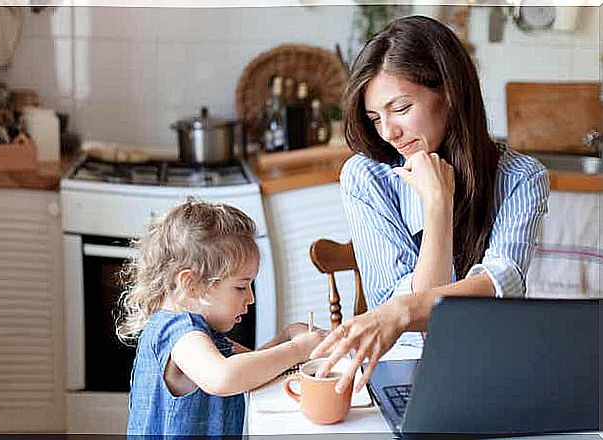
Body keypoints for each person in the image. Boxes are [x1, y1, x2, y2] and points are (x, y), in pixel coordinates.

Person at [311, 15, 549, 394]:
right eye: (375, 118)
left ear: (450, 95)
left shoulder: (522, 177)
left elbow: (499, 284)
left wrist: (403, 310)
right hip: (403, 371)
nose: (388, 132)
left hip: (489, 367)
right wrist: (438, 205)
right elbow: (417, 328)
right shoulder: (365, 177)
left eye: (401, 109)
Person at [116, 199, 325, 437]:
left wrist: (287, 337)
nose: (251, 298)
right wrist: (296, 350)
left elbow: (252, 367)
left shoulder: (202, 332)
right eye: (241, 287)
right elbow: (224, 376)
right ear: (191, 283)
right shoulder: (181, 334)